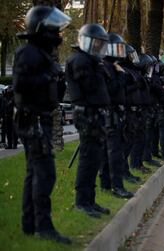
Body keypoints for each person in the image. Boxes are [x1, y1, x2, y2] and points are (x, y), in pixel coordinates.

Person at [13, 5, 72, 243]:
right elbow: (20, 86)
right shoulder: (28, 53)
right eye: (54, 28)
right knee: (44, 173)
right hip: (33, 121)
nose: (58, 33)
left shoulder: (42, 54)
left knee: (33, 173)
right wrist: (49, 77)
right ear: (42, 28)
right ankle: (43, 226)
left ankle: (29, 224)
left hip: (40, 119)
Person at [66, 23, 111, 218]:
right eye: (96, 44)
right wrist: (99, 67)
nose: (98, 48)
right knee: (88, 157)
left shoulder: (90, 61)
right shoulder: (80, 61)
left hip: (95, 113)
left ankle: (90, 200)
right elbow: (91, 85)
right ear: (86, 42)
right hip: (86, 113)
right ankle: (82, 202)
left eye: (100, 45)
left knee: (95, 158)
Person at [99, 32, 134, 198]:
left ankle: (106, 184)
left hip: (115, 113)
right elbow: (112, 90)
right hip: (110, 114)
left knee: (111, 150)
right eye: (117, 48)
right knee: (114, 151)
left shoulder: (111, 66)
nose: (120, 52)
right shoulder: (106, 67)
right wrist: (120, 74)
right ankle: (116, 186)